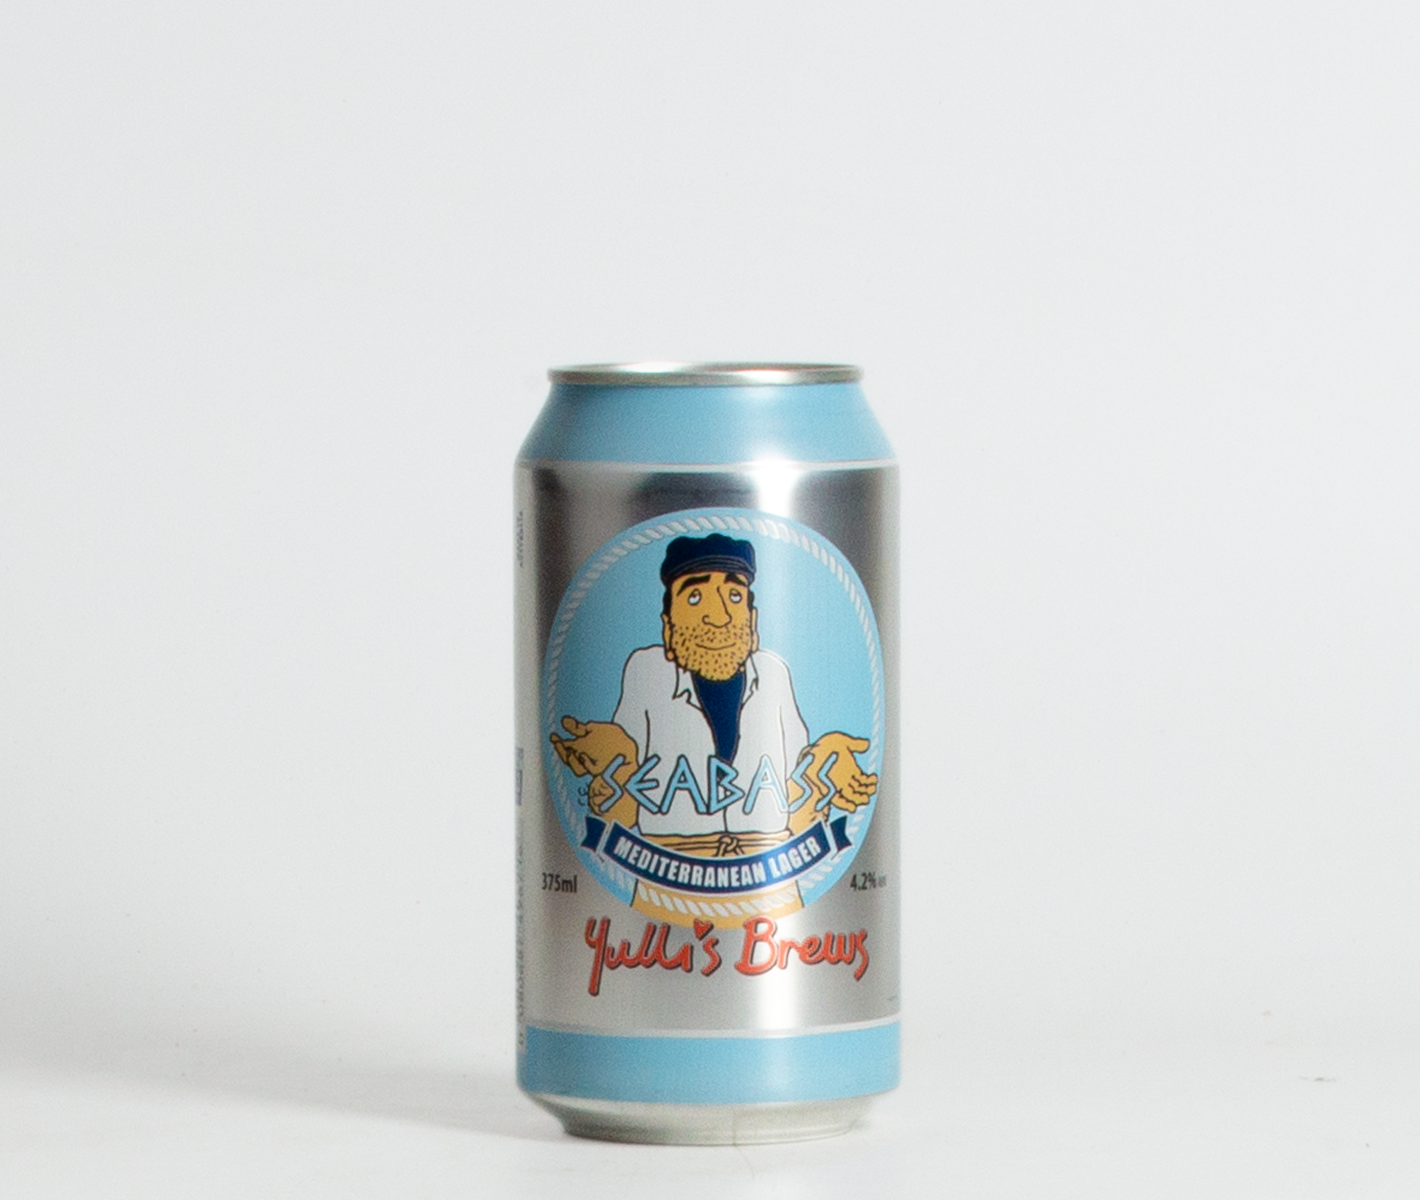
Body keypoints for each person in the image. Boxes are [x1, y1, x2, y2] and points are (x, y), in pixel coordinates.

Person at [550, 533, 877, 919]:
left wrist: (827, 764)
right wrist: (611, 756)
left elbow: (794, 784)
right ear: (667, 624)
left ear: (753, 619)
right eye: (694, 597)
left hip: (774, 891)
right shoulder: (645, 671)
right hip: (662, 888)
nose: (718, 616)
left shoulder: (774, 673)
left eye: (734, 596)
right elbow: (625, 786)